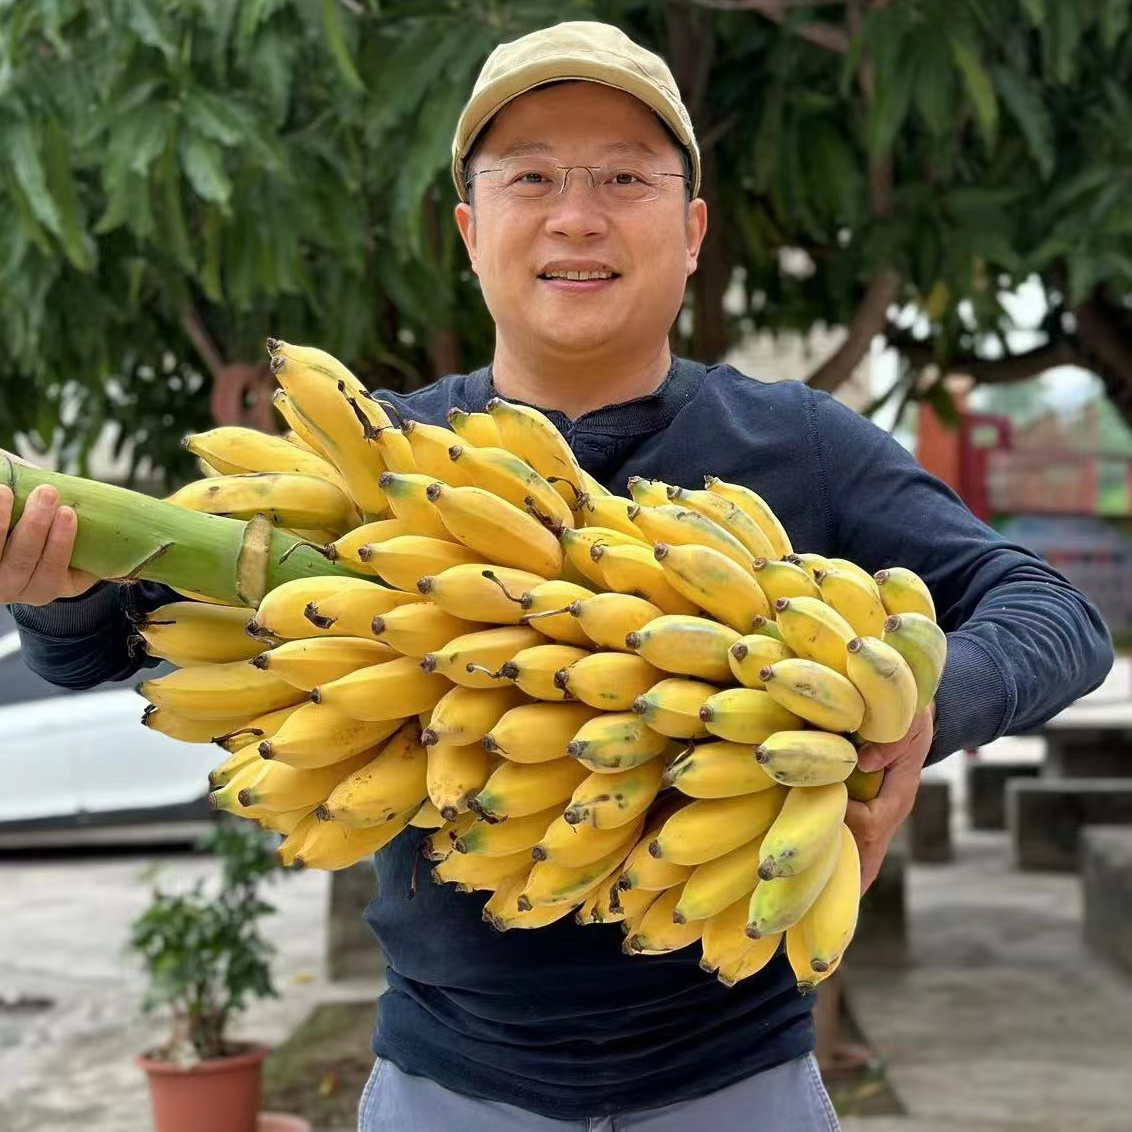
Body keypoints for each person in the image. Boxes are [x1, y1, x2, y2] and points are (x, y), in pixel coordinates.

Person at [0, 20, 1113, 1132]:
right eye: (530, 176)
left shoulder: (800, 445)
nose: (575, 213)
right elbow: (118, 643)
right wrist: (51, 589)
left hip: (736, 1084)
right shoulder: (378, 466)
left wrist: (913, 707)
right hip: (447, 1084)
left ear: (690, 232)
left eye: (622, 177)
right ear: (471, 231)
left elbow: (1053, 614)